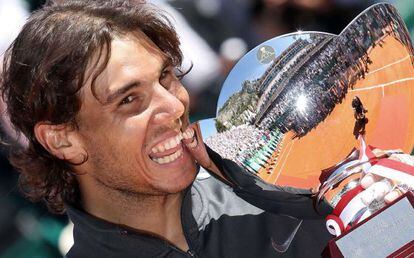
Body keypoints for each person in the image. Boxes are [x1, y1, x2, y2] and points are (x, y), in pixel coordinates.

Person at [0, 1, 408, 257]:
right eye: (129, 99)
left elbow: (384, 242)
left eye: (166, 78)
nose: (174, 105)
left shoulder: (291, 186)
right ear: (62, 139)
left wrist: (399, 219)